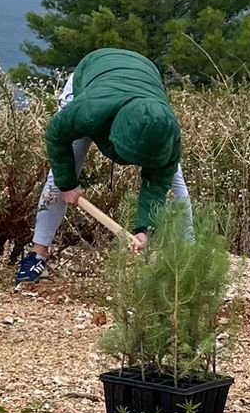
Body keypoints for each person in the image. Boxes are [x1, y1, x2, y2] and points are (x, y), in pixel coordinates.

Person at [15, 47, 191, 282]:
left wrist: (143, 228)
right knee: (58, 178)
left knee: (175, 181)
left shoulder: (166, 132)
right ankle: (38, 254)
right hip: (93, 73)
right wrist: (67, 183)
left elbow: (158, 182)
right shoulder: (88, 111)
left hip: (142, 75)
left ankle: (191, 254)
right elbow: (57, 136)